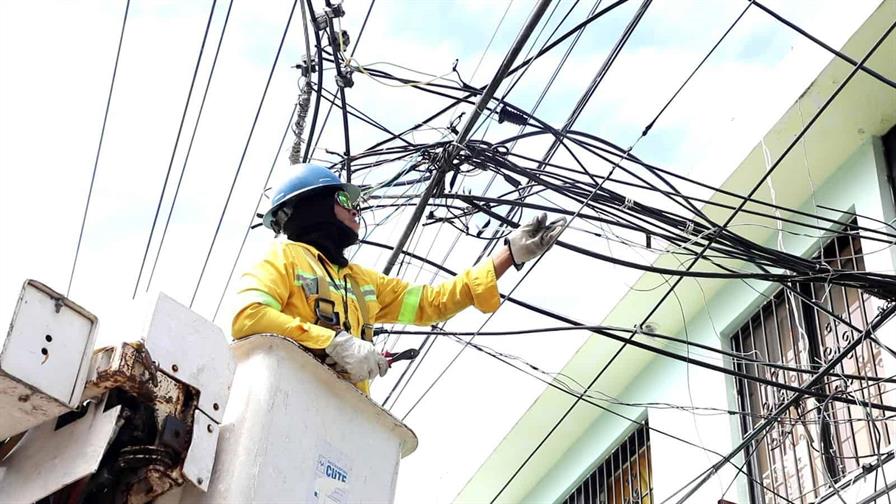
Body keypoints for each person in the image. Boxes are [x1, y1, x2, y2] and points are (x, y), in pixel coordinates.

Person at [231, 163, 564, 395]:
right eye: (344, 199)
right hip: (287, 401)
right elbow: (249, 318)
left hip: (345, 418)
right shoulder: (283, 259)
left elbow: (433, 303)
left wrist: (508, 255)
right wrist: (331, 342)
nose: (356, 209)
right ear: (312, 205)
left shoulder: (361, 282)